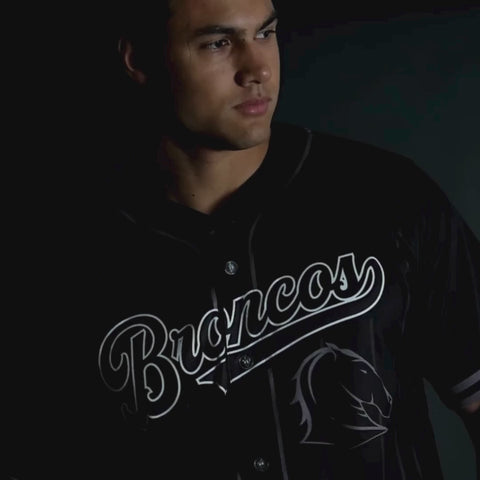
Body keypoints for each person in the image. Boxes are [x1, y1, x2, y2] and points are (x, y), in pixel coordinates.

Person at [7, 0, 479, 479]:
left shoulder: (387, 196)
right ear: (139, 59)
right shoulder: (65, 252)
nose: (258, 70)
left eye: (265, 34)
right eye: (218, 43)